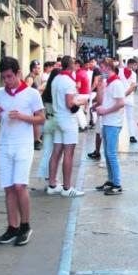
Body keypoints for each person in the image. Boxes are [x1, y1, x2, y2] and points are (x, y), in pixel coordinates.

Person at [0, 57, 45, 246]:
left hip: (23, 144)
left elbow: (41, 119)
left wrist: (23, 117)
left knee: (20, 185)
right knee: (8, 187)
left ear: (18, 73)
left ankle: (25, 225)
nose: (7, 81)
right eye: (4, 77)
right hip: (4, 144)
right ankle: (12, 227)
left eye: (10, 76)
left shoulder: (31, 94)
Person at [48, 56, 86, 197]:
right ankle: (67, 187)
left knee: (56, 151)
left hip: (57, 116)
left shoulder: (56, 79)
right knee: (68, 153)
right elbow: (70, 103)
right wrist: (81, 102)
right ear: (71, 66)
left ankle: (52, 184)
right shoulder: (69, 81)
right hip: (68, 119)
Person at [94, 58, 126, 195]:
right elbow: (102, 100)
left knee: (111, 154)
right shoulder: (108, 82)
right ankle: (111, 180)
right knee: (107, 153)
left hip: (113, 122)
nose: (100, 70)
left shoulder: (117, 83)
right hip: (107, 121)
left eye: (102, 67)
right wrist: (100, 87)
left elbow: (121, 103)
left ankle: (117, 184)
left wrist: (106, 111)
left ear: (108, 67)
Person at [36, 68, 60, 179]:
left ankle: (45, 174)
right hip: (56, 122)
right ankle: (53, 177)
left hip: (47, 122)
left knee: (47, 151)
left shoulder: (45, 92)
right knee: (57, 152)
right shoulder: (58, 91)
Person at [119, 58, 138, 143]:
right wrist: (125, 94)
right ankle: (132, 136)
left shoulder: (120, 71)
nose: (136, 66)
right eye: (135, 65)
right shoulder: (133, 74)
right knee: (129, 118)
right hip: (128, 97)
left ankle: (118, 135)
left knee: (120, 117)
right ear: (130, 64)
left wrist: (122, 95)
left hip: (121, 97)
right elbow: (133, 87)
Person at [25, 60, 43, 150]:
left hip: (34, 104)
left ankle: (37, 140)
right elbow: (27, 90)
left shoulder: (33, 77)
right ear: (33, 69)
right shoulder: (30, 78)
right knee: (35, 123)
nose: (40, 70)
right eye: (38, 68)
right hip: (31, 105)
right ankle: (36, 140)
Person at [74, 58, 90, 131]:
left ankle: (82, 126)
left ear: (78, 65)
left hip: (82, 94)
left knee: (77, 110)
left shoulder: (78, 74)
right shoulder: (84, 72)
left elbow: (78, 85)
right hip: (86, 94)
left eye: (74, 64)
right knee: (80, 110)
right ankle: (84, 125)